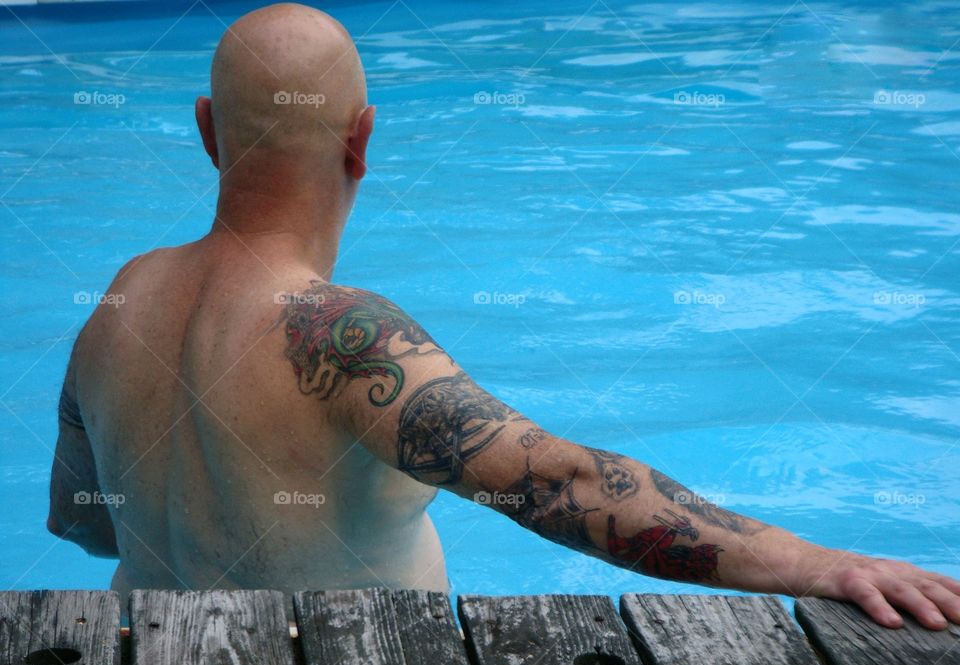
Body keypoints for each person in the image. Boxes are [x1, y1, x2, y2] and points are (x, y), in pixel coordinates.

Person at [48, 3, 960, 630]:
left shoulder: (120, 304)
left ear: (207, 129)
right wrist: (812, 564)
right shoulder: (335, 332)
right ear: (362, 139)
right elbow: (556, 485)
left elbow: (85, 520)